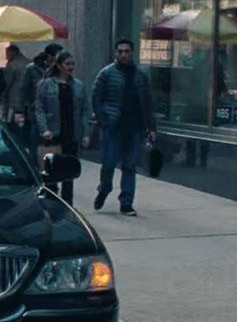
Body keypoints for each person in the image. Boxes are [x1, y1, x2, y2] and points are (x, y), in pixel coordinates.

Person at [92, 39, 156, 216]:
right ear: (115, 53)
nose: (123, 54)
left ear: (132, 53)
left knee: (130, 165)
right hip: (113, 126)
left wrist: (151, 127)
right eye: (120, 51)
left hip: (134, 127)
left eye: (126, 51)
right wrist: (103, 119)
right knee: (109, 163)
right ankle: (104, 189)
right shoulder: (106, 73)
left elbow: (147, 103)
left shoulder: (140, 76)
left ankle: (126, 202)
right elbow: (96, 98)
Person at [33, 52, 92, 205]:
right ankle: (51, 202)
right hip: (52, 135)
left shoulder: (78, 86)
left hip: (71, 134)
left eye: (72, 64)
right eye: (67, 64)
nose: (70, 67)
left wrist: (86, 133)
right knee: (51, 173)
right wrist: (44, 128)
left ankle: (67, 205)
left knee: (69, 174)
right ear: (59, 66)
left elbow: (84, 111)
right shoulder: (47, 84)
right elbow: (39, 108)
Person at [21, 43, 64, 115]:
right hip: (36, 107)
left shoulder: (59, 68)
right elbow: (24, 89)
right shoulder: (32, 69)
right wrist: (22, 109)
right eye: (58, 55)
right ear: (50, 56)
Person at [1, 45, 31, 122]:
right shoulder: (30, 63)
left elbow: (6, 84)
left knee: (13, 126)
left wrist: (3, 98)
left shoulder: (12, 65)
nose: (6, 57)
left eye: (7, 54)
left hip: (15, 102)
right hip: (29, 101)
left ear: (13, 53)